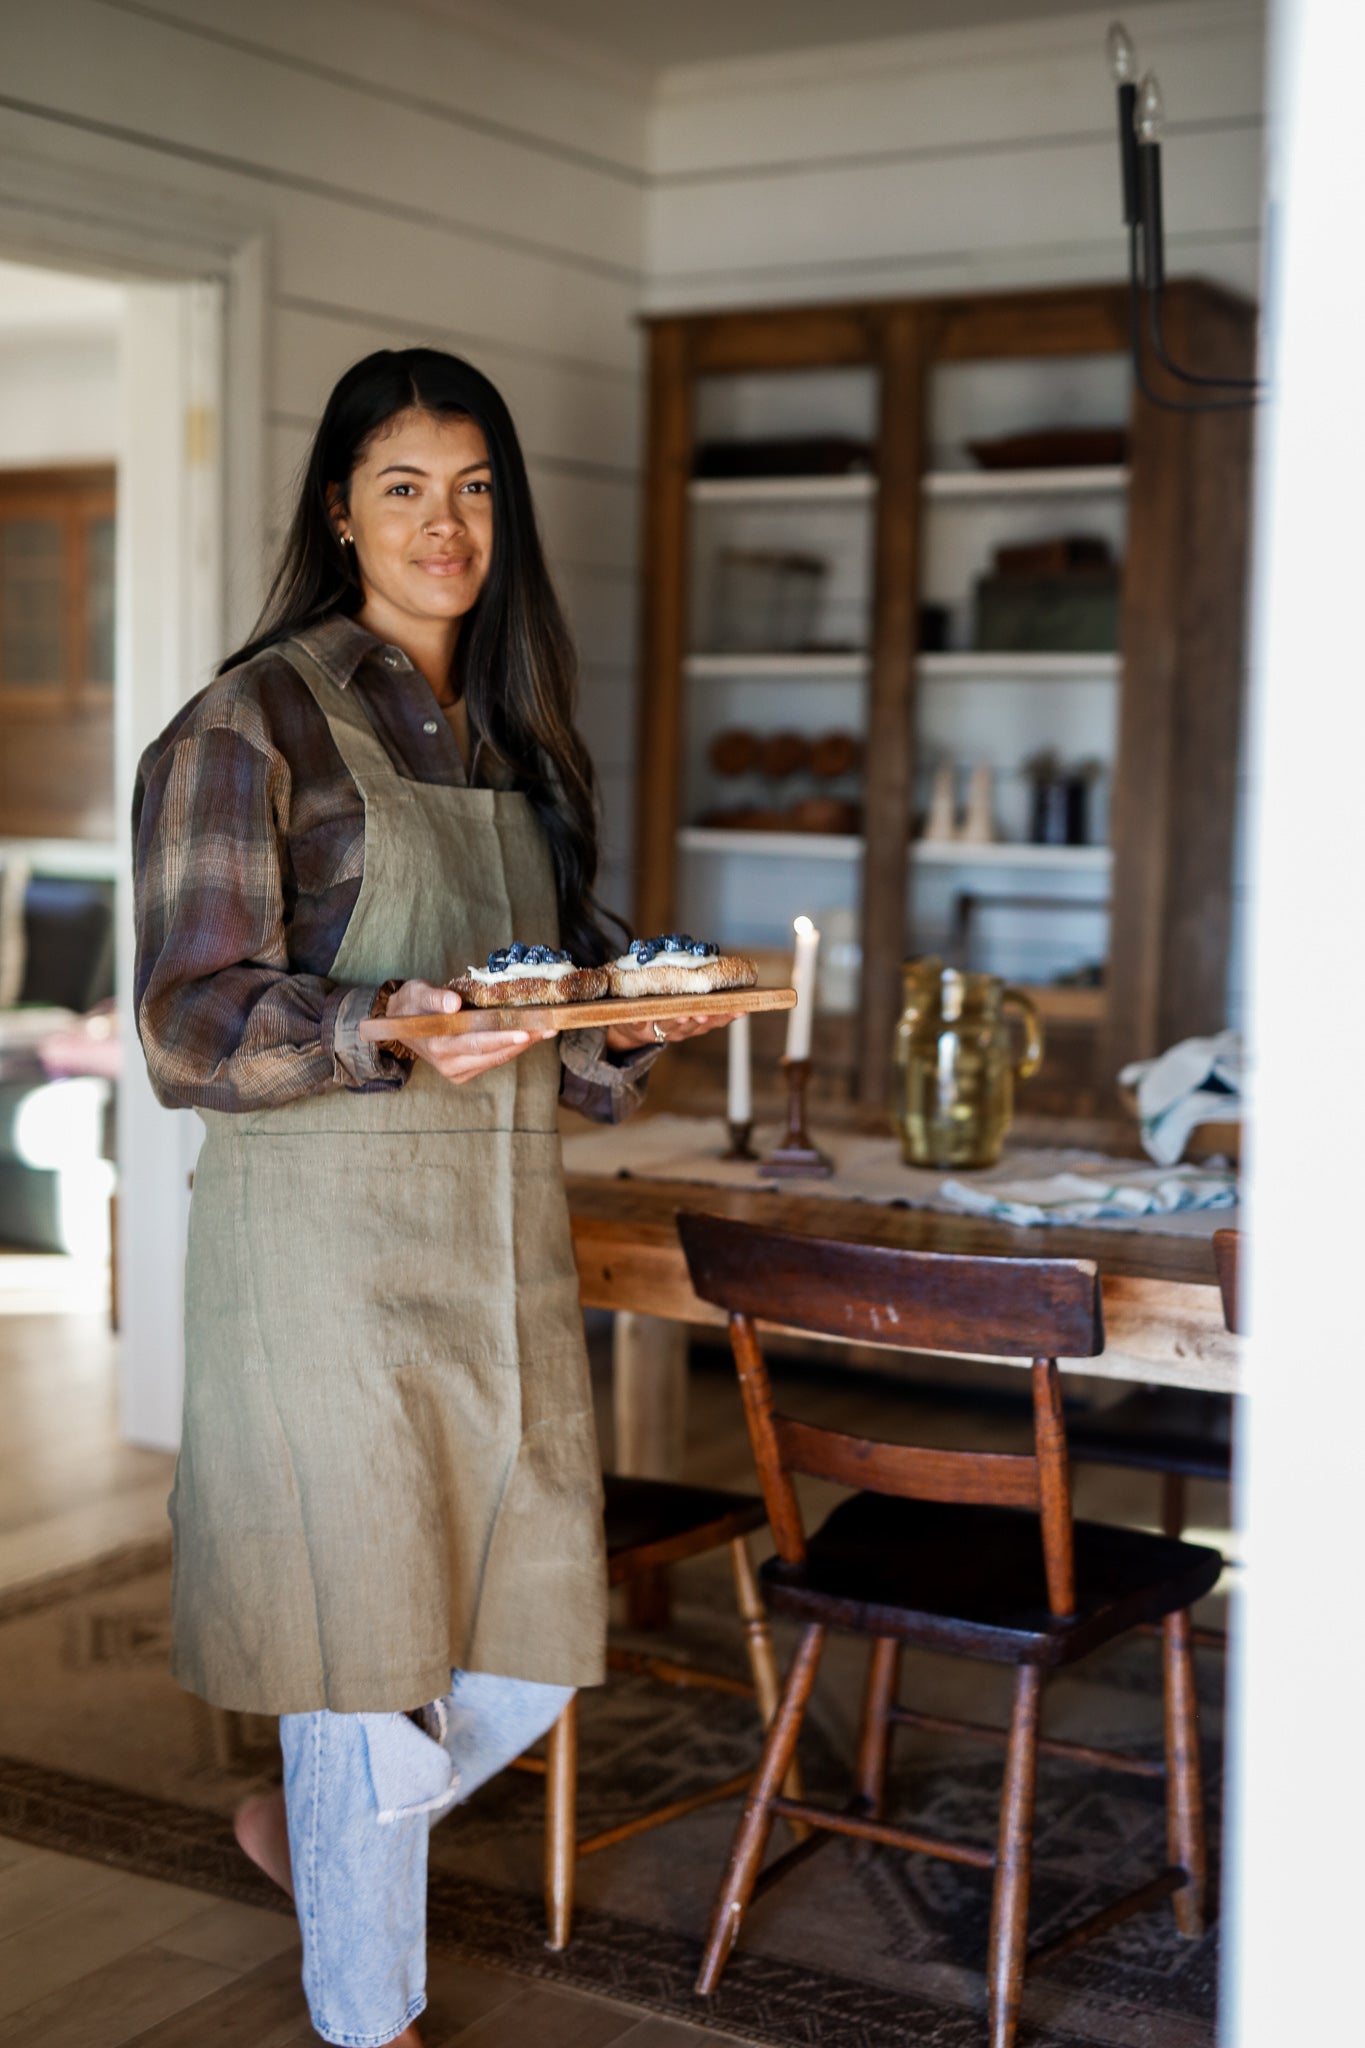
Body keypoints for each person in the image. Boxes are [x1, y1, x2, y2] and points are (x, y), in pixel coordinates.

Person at [132, 348, 724, 2046]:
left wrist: (639, 1024)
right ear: (340, 511)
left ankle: (305, 1837)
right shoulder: (249, 724)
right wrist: (376, 1022)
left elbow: (561, 1025)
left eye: (471, 488)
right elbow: (187, 1025)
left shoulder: (522, 744)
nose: (442, 524)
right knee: (360, 1643)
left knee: (529, 1633)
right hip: (317, 1262)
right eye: (403, 487)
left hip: (495, 1245)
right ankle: (364, 2014)